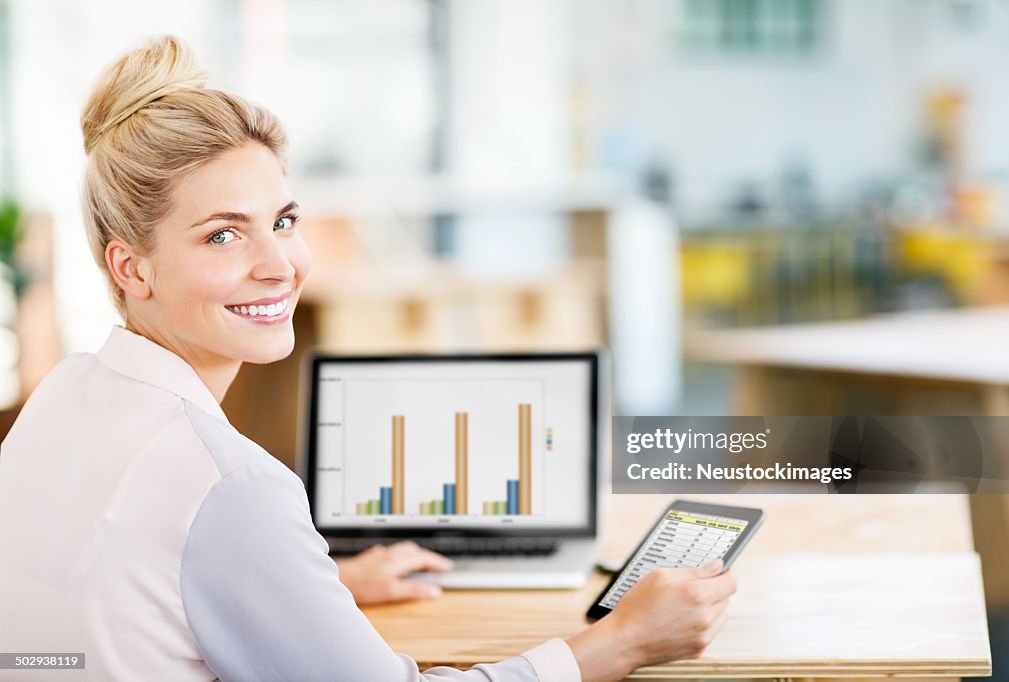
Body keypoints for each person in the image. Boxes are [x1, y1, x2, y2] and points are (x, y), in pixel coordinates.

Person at [0, 36, 737, 682]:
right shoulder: (230, 485)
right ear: (132, 269)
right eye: (224, 235)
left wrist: (315, 585)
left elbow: (133, 593)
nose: (278, 265)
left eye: (283, 221)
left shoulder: (61, 397)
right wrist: (623, 639)